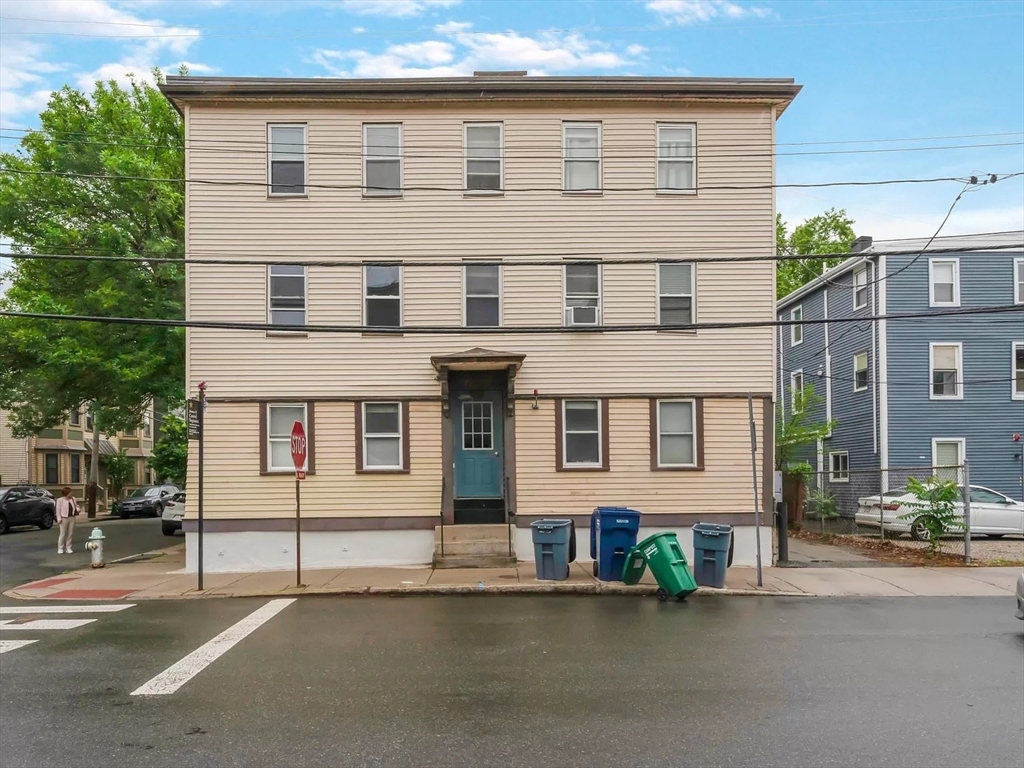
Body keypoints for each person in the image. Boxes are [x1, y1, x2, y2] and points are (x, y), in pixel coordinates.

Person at [55, 487, 80, 554]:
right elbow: (58, 510)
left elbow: (76, 506)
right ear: (66, 493)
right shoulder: (60, 500)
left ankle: (68, 547)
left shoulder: (73, 499)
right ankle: (60, 548)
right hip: (64, 518)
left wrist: (77, 509)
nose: (71, 493)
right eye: (70, 492)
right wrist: (59, 519)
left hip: (72, 517)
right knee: (62, 533)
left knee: (70, 533)